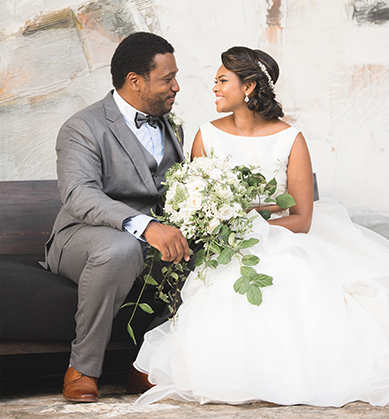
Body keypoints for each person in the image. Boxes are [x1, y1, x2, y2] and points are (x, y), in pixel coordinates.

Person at [133, 46, 389, 407]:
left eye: (223, 81)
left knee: (290, 273)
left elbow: (301, 218)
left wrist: (255, 221)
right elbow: (196, 204)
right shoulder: (206, 135)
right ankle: (232, 375)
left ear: (249, 87)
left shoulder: (290, 139)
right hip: (228, 245)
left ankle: (296, 374)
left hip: (284, 238)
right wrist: (218, 223)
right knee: (223, 285)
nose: (215, 89)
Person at [44, 31, 190, 403]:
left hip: (148, 235)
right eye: (167, 79)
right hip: (85, 235)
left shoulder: (172, 124)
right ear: (135, 81)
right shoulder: (83, 127)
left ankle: (147, 366)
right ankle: (83, 368)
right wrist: (148, 227)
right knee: (122, 249)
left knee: (204, 252)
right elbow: (80, 195)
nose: (176, 86)